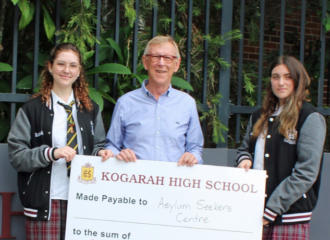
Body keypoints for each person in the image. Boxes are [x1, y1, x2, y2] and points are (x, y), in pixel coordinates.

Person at [7, 43, 113, 239]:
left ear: (79, 71)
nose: (67, 70)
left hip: (83, 200)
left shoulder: (91, 110)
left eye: (73, 65)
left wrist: (101, 153)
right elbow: (16, 156)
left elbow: (98, 145)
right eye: (61, 64)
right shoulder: (32, 110)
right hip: (46, 203)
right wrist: (50, 153)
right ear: (50, 67)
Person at [236, 56, 326, 240]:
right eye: (275, 77)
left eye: (287, 77)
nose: (281, 82)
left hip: (289, 218)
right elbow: (244, 149)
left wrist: (273, 207)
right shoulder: (258, 116)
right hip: (254, 214)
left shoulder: (309, 118)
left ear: (298, 80)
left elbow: (307, 172)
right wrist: (245, 159)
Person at [105, 35, 203, 166]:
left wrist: (192, 157)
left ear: (176, 64)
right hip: (135, 182)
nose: (161, 63)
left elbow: (195, 149)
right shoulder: (125, 102)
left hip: (174, 183)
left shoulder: (187, 103)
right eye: (155, 57)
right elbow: (111, 146)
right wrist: (118, 154)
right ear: (145, 62)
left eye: (167, 58)